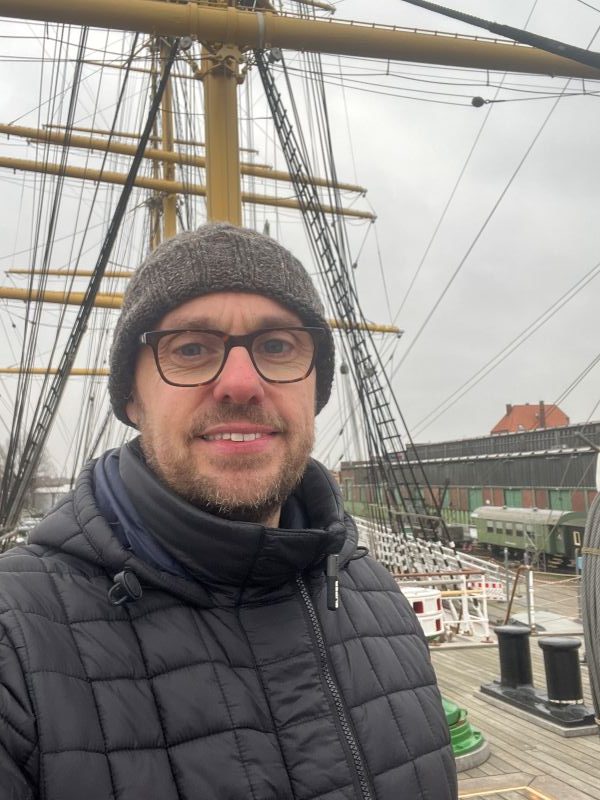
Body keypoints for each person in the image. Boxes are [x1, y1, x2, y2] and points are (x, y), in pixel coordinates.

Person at [0, 223, 458, 799]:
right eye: (191, 349)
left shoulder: (379, 599)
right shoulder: (15, 643)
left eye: (278, 347)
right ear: (132, 398)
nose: (241, 384)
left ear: (314, 390)